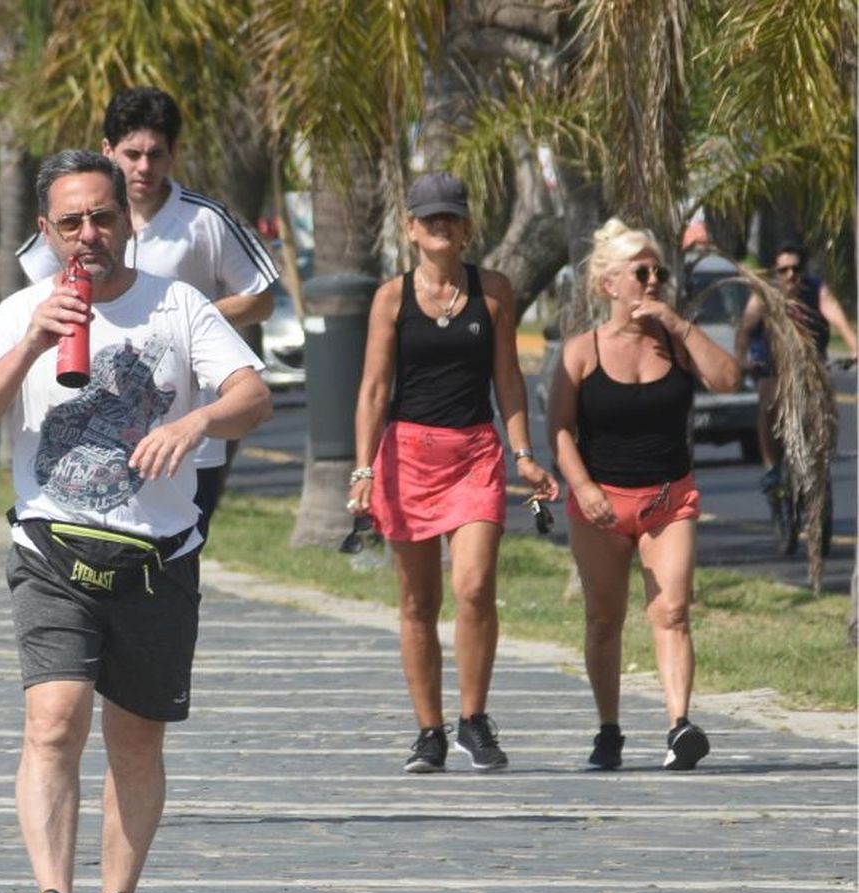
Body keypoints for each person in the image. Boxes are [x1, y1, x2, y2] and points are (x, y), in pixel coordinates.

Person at [0, 150, 271, 893]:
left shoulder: (180, 306)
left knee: (135, 739)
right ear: (46, 233)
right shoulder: (21, 312)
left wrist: (195, 425)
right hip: (52, 547)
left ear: (126, 219)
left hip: (159, 558)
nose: (88, 234)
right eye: (70, 222)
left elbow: (251, 394)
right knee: (53, 719)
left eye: (101, 216)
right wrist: (28, 344)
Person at [348, 172, 557, 774]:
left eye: (452, 217)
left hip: (475, 455)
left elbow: (508, 378)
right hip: (407, 456)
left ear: (467, 228)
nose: (441, 226)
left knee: (473, 587)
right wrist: (363, 468)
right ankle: (429, 732)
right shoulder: (391, 297)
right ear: (411, 229)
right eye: (429, 218)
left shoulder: (493, 291)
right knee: (418, 602)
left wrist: (522, 452)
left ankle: (473, 719)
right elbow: (373, 387)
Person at [16, 86, 278, 542]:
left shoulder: (205, 221)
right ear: (107, 150)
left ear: (174, 154)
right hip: (88, 420)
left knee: (177, 551)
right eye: (132, 153)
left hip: (185, 432)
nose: (143, 168)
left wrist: (187, 324)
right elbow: (36, 297)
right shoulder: (73, 220)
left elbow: (261, 298)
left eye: (156, 155)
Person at [547, 219, 740, 771]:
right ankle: (609, 730)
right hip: (601, 502)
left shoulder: (677, 343)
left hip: (668, 499)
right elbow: (559, 428)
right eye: (641, 271)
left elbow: (727, 380)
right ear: (610, 284)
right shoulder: (583, 351)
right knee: (604, 619)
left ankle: (679, 727)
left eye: (659, 271)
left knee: (673, 611)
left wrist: (678, 325)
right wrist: (582, 488)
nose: (654, 279)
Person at [733, 242, 858, 489]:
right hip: (772, 362)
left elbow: (838, 319)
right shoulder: (764, 295)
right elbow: (744, 331)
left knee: (825, 400)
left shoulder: (815, 289)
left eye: (796, 269)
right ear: (775, 272)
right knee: (768, 406)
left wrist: (854, 347)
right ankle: (771, 467)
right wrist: (741, 359)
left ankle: (822, 451)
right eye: (783, 270)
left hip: (810, 361)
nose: (790, 275)